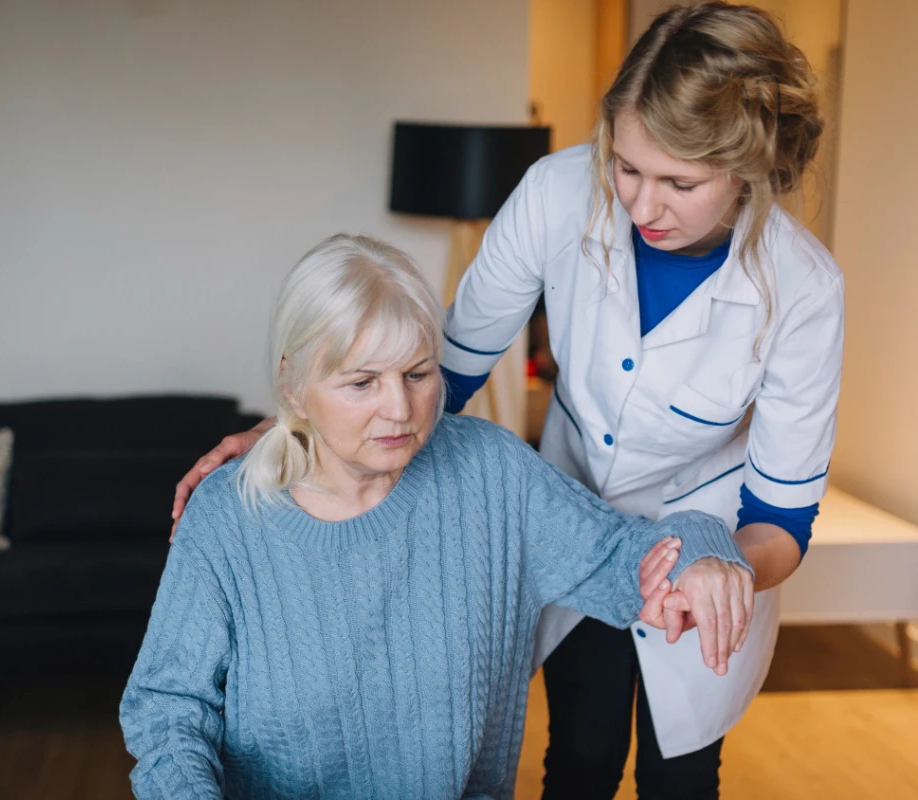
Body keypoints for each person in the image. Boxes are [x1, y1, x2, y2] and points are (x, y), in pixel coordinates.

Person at [169, 4, 843, 798]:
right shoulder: (558, 194)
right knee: (581, 758)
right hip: (569, 515)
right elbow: (441, 376)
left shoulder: (802, 288)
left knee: (683, 780)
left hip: (715, 547)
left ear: (748, 167)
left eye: (680, 183)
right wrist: (299, 433)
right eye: (626, 166)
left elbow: (783, 518)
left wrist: (717, 568)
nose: (641, 205)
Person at [123, 235, 755, 800]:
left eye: (418, 373)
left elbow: (625, 556)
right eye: (362, 382)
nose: (400, 409)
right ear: (293, 388)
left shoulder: (491, 472)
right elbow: (169, 708)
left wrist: (703, 548)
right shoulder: (227, 517)